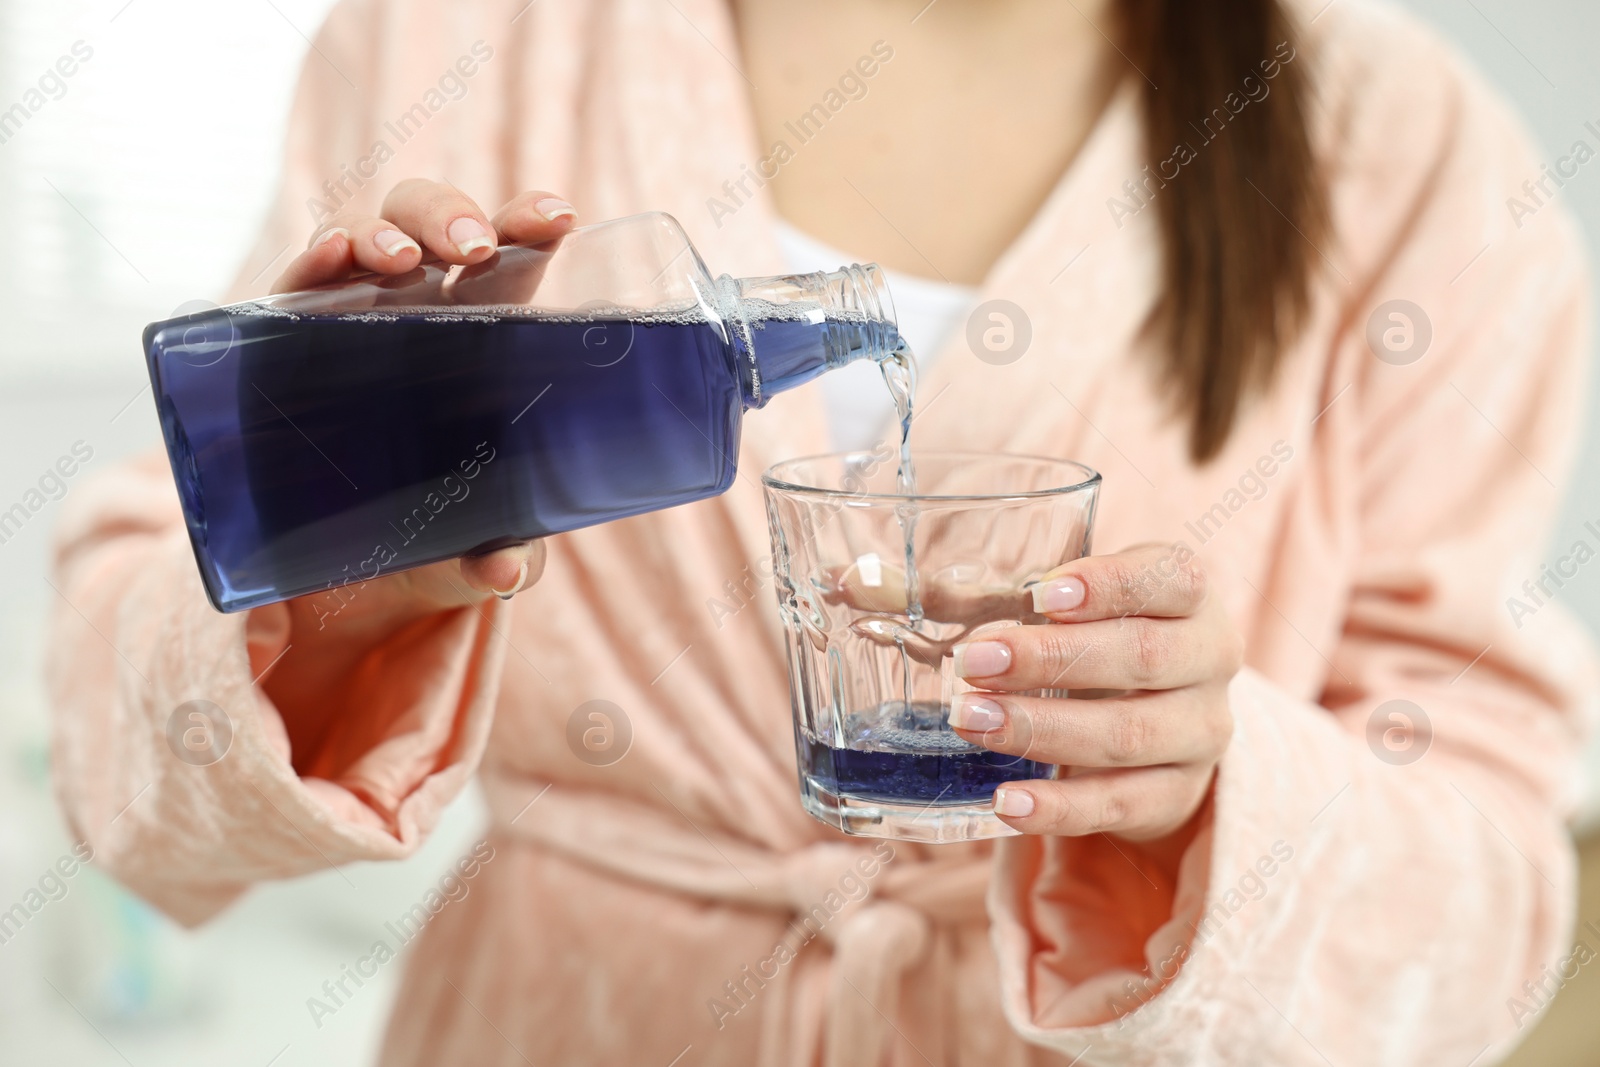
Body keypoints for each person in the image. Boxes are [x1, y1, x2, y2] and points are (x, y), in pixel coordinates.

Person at [46, 0, 1596, 1063]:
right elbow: (121, 763)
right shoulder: (472, 36)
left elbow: (1490, 878)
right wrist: (348, 556)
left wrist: (1204, 791)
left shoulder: (1404, 153)